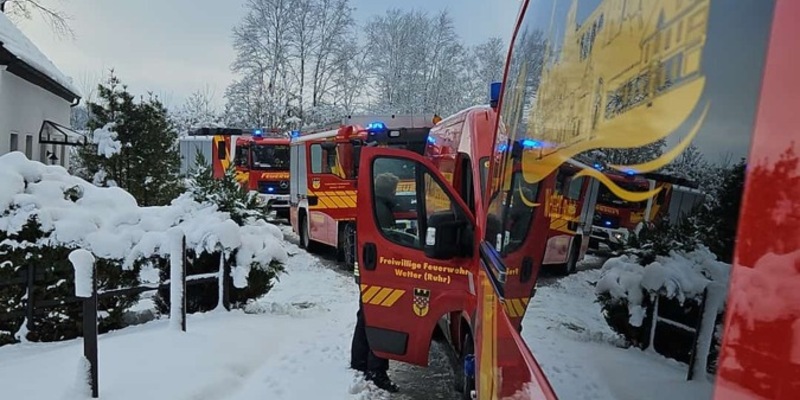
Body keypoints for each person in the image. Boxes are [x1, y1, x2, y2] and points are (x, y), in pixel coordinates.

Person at [350, 172, 400, 393]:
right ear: (387, 189)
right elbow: (388, 240)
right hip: (379, 271)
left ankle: (359, 360)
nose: (396, 192)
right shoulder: (382, 209)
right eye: (394, 188)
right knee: (382, 318)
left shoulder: (372, 205)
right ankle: (376, 369)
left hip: (367, 269)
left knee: (366, 314)